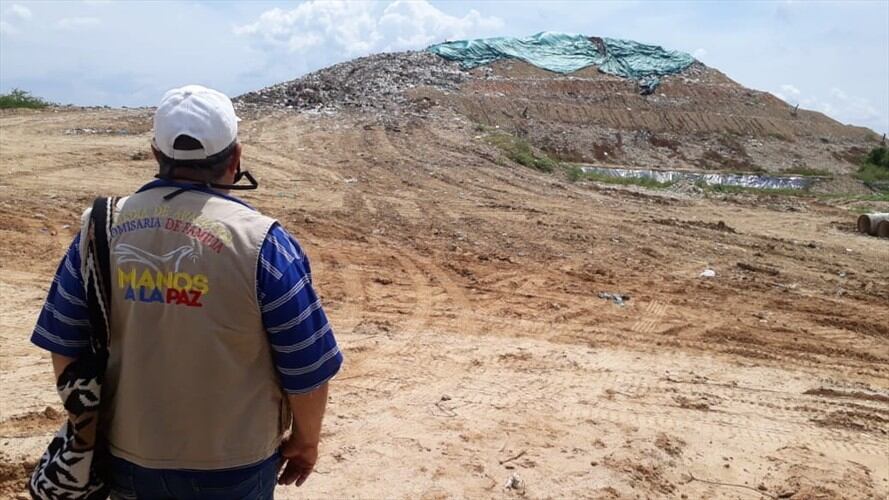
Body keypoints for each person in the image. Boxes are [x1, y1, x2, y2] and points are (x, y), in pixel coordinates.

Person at [30, 85, 343, 499]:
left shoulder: (98, 228)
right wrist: (306, 442)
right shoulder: (263, 243)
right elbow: (307, 366)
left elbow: (64, 343)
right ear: (235, 158)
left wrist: (88, 431)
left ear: (156, 155)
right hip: (233, 464)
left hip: (126, 455)